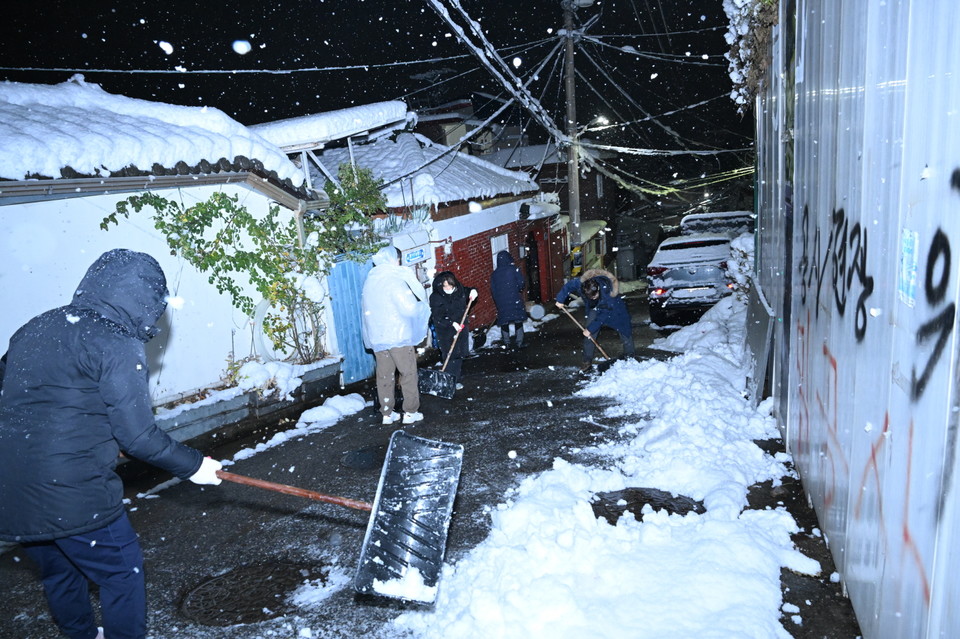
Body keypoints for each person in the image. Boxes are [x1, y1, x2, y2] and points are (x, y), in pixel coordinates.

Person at [0, 249, 223, 639]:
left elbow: (33, 400)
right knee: (122, 573)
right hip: (72, 491)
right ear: (146, 299)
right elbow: (139, 437)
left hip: (12, 486)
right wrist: (195, 466)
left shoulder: (35, 326)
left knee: (60, 571)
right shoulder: (115, 342)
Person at [361, 246, 431, 425]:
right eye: (398, 260)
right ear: (394, 259)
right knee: (407, 373)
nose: (399, 263)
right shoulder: (394, 279)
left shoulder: (371, 280)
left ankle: (387, 413)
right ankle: (410, 412)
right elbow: (409, 307)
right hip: (398, 336)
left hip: (378, 337)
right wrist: (421, 308)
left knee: (384, 376)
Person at [555, 268, 635, 373]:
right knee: (589, 335)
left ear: (597, 289)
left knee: (624, 329)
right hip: (595, 308)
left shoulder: (609, 293)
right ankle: (586, 361)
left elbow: (602, 316)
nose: (592, 298)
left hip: (614, 309)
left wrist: (590, 329)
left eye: (594, 296)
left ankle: (630, 356)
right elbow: (568, 286)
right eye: (589, 297)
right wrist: (560, 299)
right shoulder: (582, 284)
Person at [429, 271, 478, 389]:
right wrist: (452, 323)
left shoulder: (459, 290)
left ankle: (455, 379)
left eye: (450, 285)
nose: (448, 288)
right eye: (445, 286)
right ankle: (450, 380)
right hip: (445, 331)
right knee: (450, 355)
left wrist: (473, 291)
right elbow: (438, 317)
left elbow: (468, 292)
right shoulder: (436, 297)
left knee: (459, 354)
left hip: (461, 327)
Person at [489, 250, 527, 349]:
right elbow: (521, 283)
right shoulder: (514, 269)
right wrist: (518, 289)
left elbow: (493, 290)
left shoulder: (494, 274)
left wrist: (498, 300)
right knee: (518, 319)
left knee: (504, 321)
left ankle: (506, 342)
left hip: (502, 302)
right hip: (514, 298)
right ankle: (519, 342)